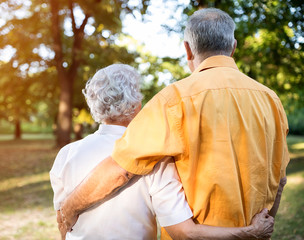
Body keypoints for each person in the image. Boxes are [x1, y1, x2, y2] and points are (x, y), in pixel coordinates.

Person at [50, 64, 275, 240]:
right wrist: (249, 232)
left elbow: (64, 224)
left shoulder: (66, 154)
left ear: (94, 107)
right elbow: (184, 232)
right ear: (137, 105)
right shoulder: (155, 157)